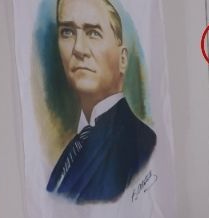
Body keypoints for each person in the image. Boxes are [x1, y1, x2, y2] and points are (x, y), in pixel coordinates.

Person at [46, 0, 157, 204]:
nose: (78, 49)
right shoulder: (73, 148)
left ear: (123, 59)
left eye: (93, 33)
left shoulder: (142, 144)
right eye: (68, 32)